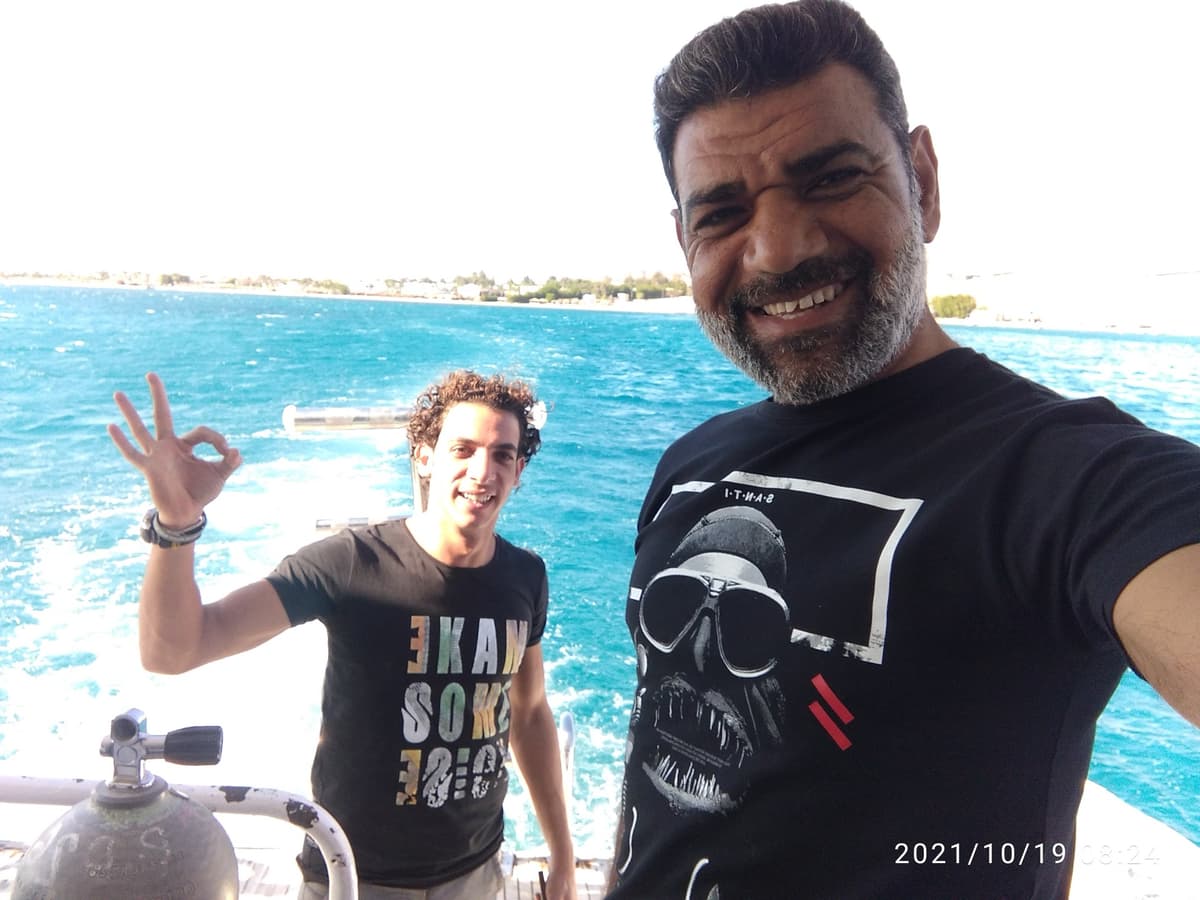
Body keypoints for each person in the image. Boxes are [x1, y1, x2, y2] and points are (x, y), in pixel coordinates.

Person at [607, 2, 1200, 898]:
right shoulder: (691, 467)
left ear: (922, 181)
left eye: (832, 178)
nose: (777, 251)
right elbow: (656, 753)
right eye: (721, 213)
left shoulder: (1068, 476)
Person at [109, 369, 577, 900]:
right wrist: (175, 527)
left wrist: (562, 853)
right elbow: (174, 650)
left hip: (475, 873)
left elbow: (531, 713)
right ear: (425, 457)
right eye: (463, 449)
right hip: (351, 873)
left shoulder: (525, 577)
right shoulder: (352, 563)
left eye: (501, 455)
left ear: (517, 471)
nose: (481, 471)